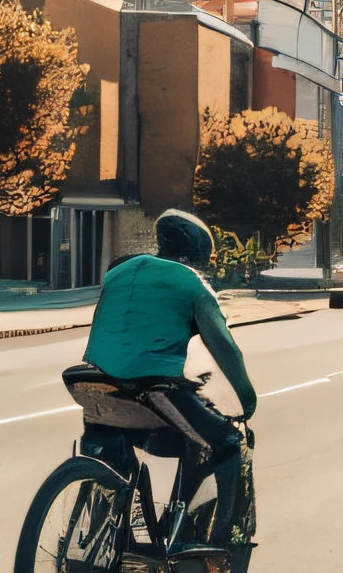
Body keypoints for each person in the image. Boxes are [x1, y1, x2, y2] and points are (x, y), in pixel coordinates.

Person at [79, 209, 258, 510]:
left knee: (113, 459)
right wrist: (247, 401)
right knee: (226, 443)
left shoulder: (118, 273)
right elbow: (226, 350)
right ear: (196, 257)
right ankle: (206, 538)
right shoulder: (192, 284)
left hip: (93, 384)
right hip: (152, 391)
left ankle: (103, 532)